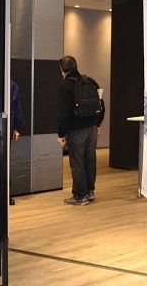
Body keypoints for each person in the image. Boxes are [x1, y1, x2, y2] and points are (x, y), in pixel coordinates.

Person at [56, 55, 103, 206]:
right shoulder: (90, 82)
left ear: (62, 70)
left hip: (76, 130)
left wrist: (61, 134)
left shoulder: (65, 86)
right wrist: (98, 123)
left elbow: (63, 113)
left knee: (77, 163)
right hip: (92, 128)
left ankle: (80, 196)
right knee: (90, 160)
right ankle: (90, 192)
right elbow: (100, 104)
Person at [10, 80, 25, 206]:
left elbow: (15, 107)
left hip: (4, 127)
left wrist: (15, 128)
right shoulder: (12, 85)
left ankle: (5, 193)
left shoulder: (11, 85)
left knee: (4, 162)